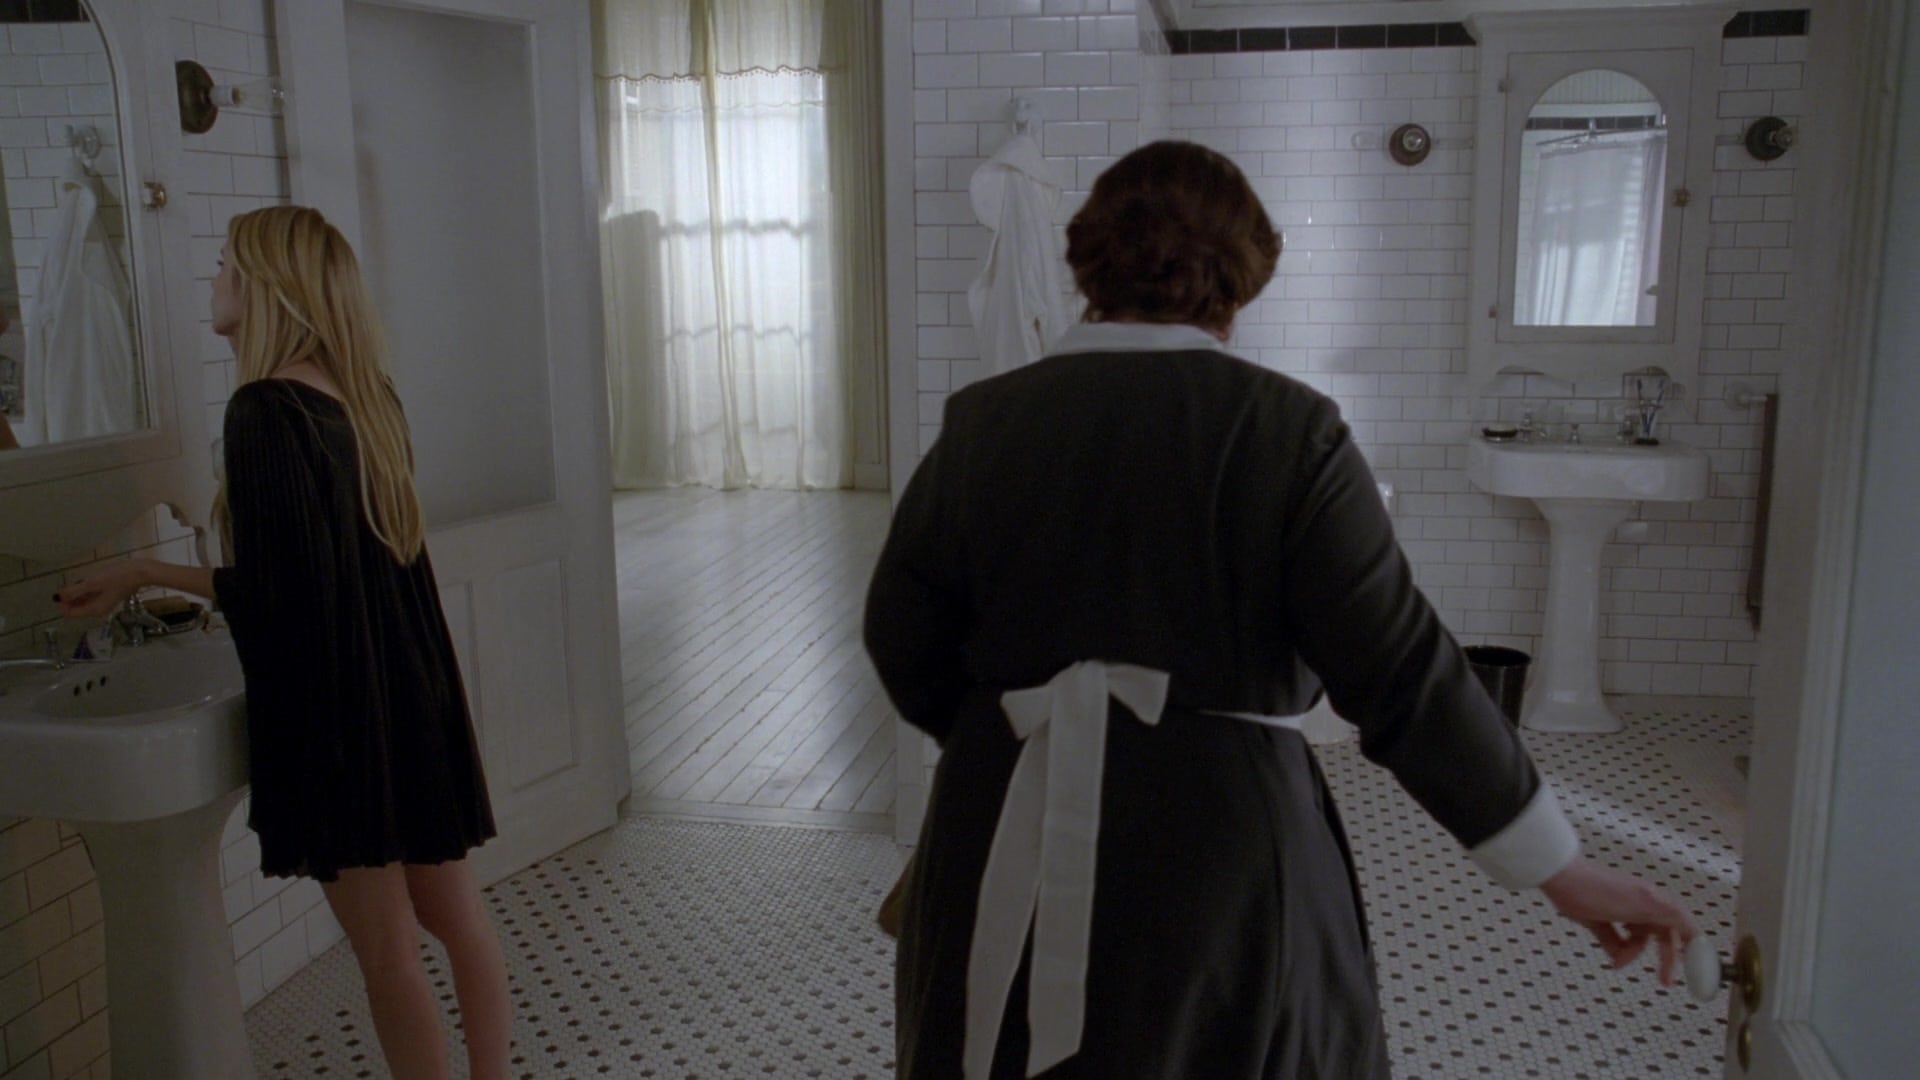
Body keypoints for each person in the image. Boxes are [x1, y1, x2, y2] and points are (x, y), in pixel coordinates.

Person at [864, 141, 1697, 1079]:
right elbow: (1400, 672)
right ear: (1241, 278)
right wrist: (1559, 868)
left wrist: (1013, 731)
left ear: (1089, 261)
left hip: (1001, 814)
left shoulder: (983, 421)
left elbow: (901, 633)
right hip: (1217, 854)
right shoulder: (1291, 429)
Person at [55, 206, 510, 1080]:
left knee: (389, 955)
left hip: (342, 713)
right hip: (414, 692)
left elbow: (277, 598)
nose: (214, 280)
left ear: (268, 286)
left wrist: (143, 570)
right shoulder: (368, 399)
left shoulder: (265, 411)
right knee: (458, 921)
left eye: (226, 264)